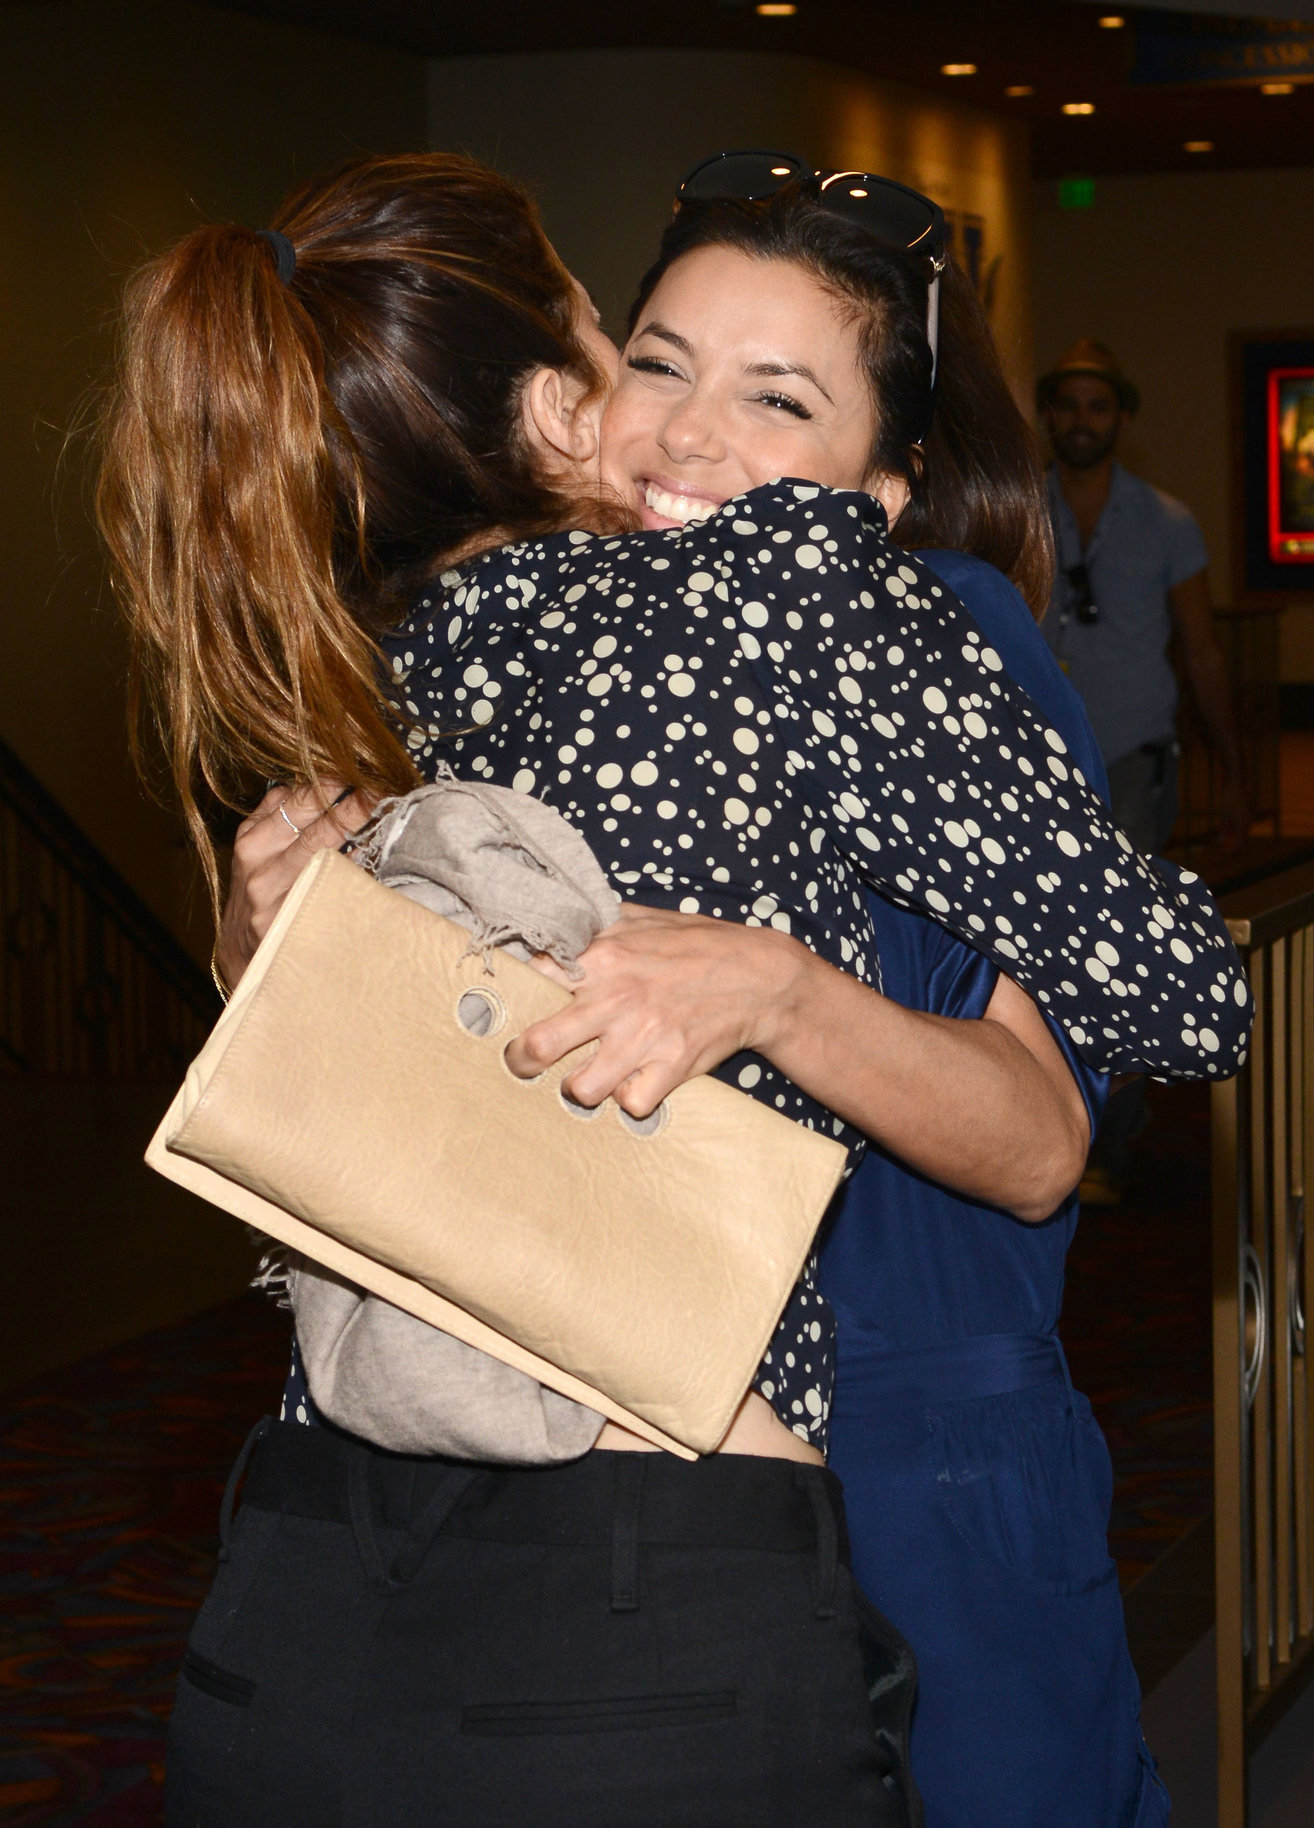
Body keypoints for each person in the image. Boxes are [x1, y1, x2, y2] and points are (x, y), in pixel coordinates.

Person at [101, 152, 1246, 1825]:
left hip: (872, 1466)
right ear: (566, 402)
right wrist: (260, 962)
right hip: (608, 1543)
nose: (695, 434)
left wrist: (773, 988)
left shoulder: (889, 635)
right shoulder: (386, 695)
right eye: (649, 359)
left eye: (777, 397)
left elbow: (1033, 1140)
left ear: (879, 490)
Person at [1038, 336, 1248, 1200]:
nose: (1081, 420)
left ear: (1120, 418)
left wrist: (1230, 766)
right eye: (1068, 403)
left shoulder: (1167, 521)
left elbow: (1200, 650)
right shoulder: (1020, 506)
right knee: (1052, 945)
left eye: (1098, 404)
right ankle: (1069, 1118)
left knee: (1115, 942)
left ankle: (1105, 1135)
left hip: (1133, 754)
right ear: (1051, 416)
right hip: (1043, 756)